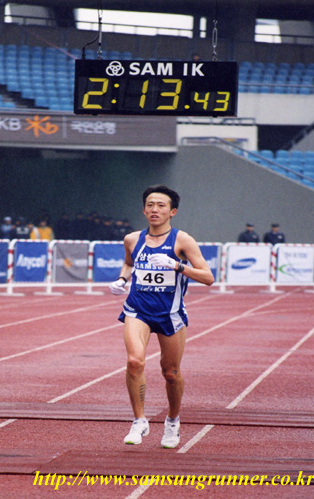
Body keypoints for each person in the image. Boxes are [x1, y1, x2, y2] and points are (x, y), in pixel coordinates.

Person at [109, 185, 214, 448]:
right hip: (138, 309)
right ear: (144, 209)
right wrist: (122, 279)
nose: (155, 209)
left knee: (171, 372)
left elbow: (208, 277)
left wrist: (178, 265)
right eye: (150, 205)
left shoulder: (182, 241)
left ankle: (172, 421)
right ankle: (139, 420)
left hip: (171, 314)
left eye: (161, 205)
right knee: (134, 361)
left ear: (172, 211)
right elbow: (130, 263)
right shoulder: (132, 239)